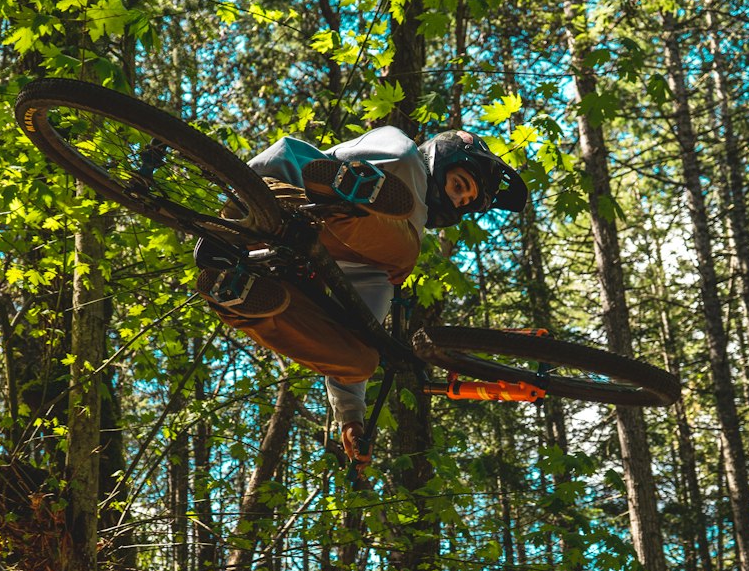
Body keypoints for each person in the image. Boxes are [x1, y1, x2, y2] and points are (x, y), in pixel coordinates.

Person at [195, 125, 528, 464]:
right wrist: (246, 182)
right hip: (272, 198)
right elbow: (397, 156)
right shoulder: (404, 153)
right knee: (404, 250)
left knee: (363, 359)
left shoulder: (383, 259)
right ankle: (343, 192)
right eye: (459, 186)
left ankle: (236, 296)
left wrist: (351, 418)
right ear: (441, 157)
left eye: (464, 202)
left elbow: (365, 321)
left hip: (269, 262)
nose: (456, 201)